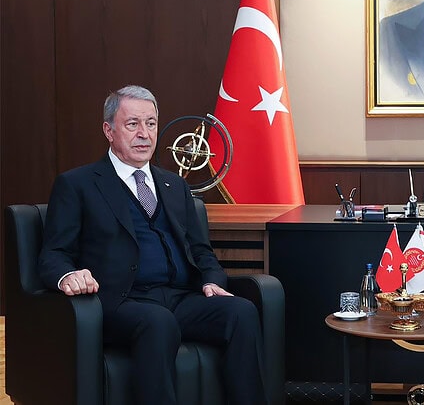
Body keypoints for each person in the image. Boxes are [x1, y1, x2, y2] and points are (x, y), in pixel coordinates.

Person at [38, 85, 267, 405]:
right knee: (158, 322)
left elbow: (201, 251)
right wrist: (69, 275)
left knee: (240, 312)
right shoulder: (78, 184)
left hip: (179, 298)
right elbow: (53, 254)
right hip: (121, 302)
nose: (144, 134)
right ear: (109, 131)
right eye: (132, 124)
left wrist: (212, 281)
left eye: (151, 123)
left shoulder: (175, 185)